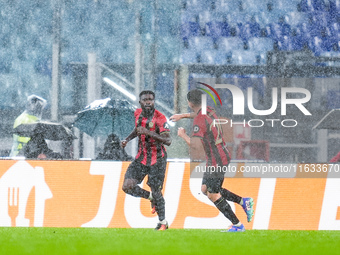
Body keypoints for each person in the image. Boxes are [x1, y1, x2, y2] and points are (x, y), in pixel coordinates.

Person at [170, 89, 254, 232]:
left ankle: (238, 225)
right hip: (219, 156)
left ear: (189, 103)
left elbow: (196, 145)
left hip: (217, 160)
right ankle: (243, 201)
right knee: (205, 189)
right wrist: (182, 116)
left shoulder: (199, 119)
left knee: (213, 194)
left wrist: (183, 135)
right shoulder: (208, 110)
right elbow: (197, 115)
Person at [121, 90, 172, 231]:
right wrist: (127, 139)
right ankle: (151, 198)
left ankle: (163, 222)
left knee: (156, 190)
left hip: (158, 159)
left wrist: (149, 132)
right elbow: (137, 129)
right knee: (127, 186)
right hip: (141, 158)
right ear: (140, 102)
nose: (148, 102)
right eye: (145, 100)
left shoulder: (160, 118)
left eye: (150, 99)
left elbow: (168, 140)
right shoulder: (137, 113)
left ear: (154, 101)